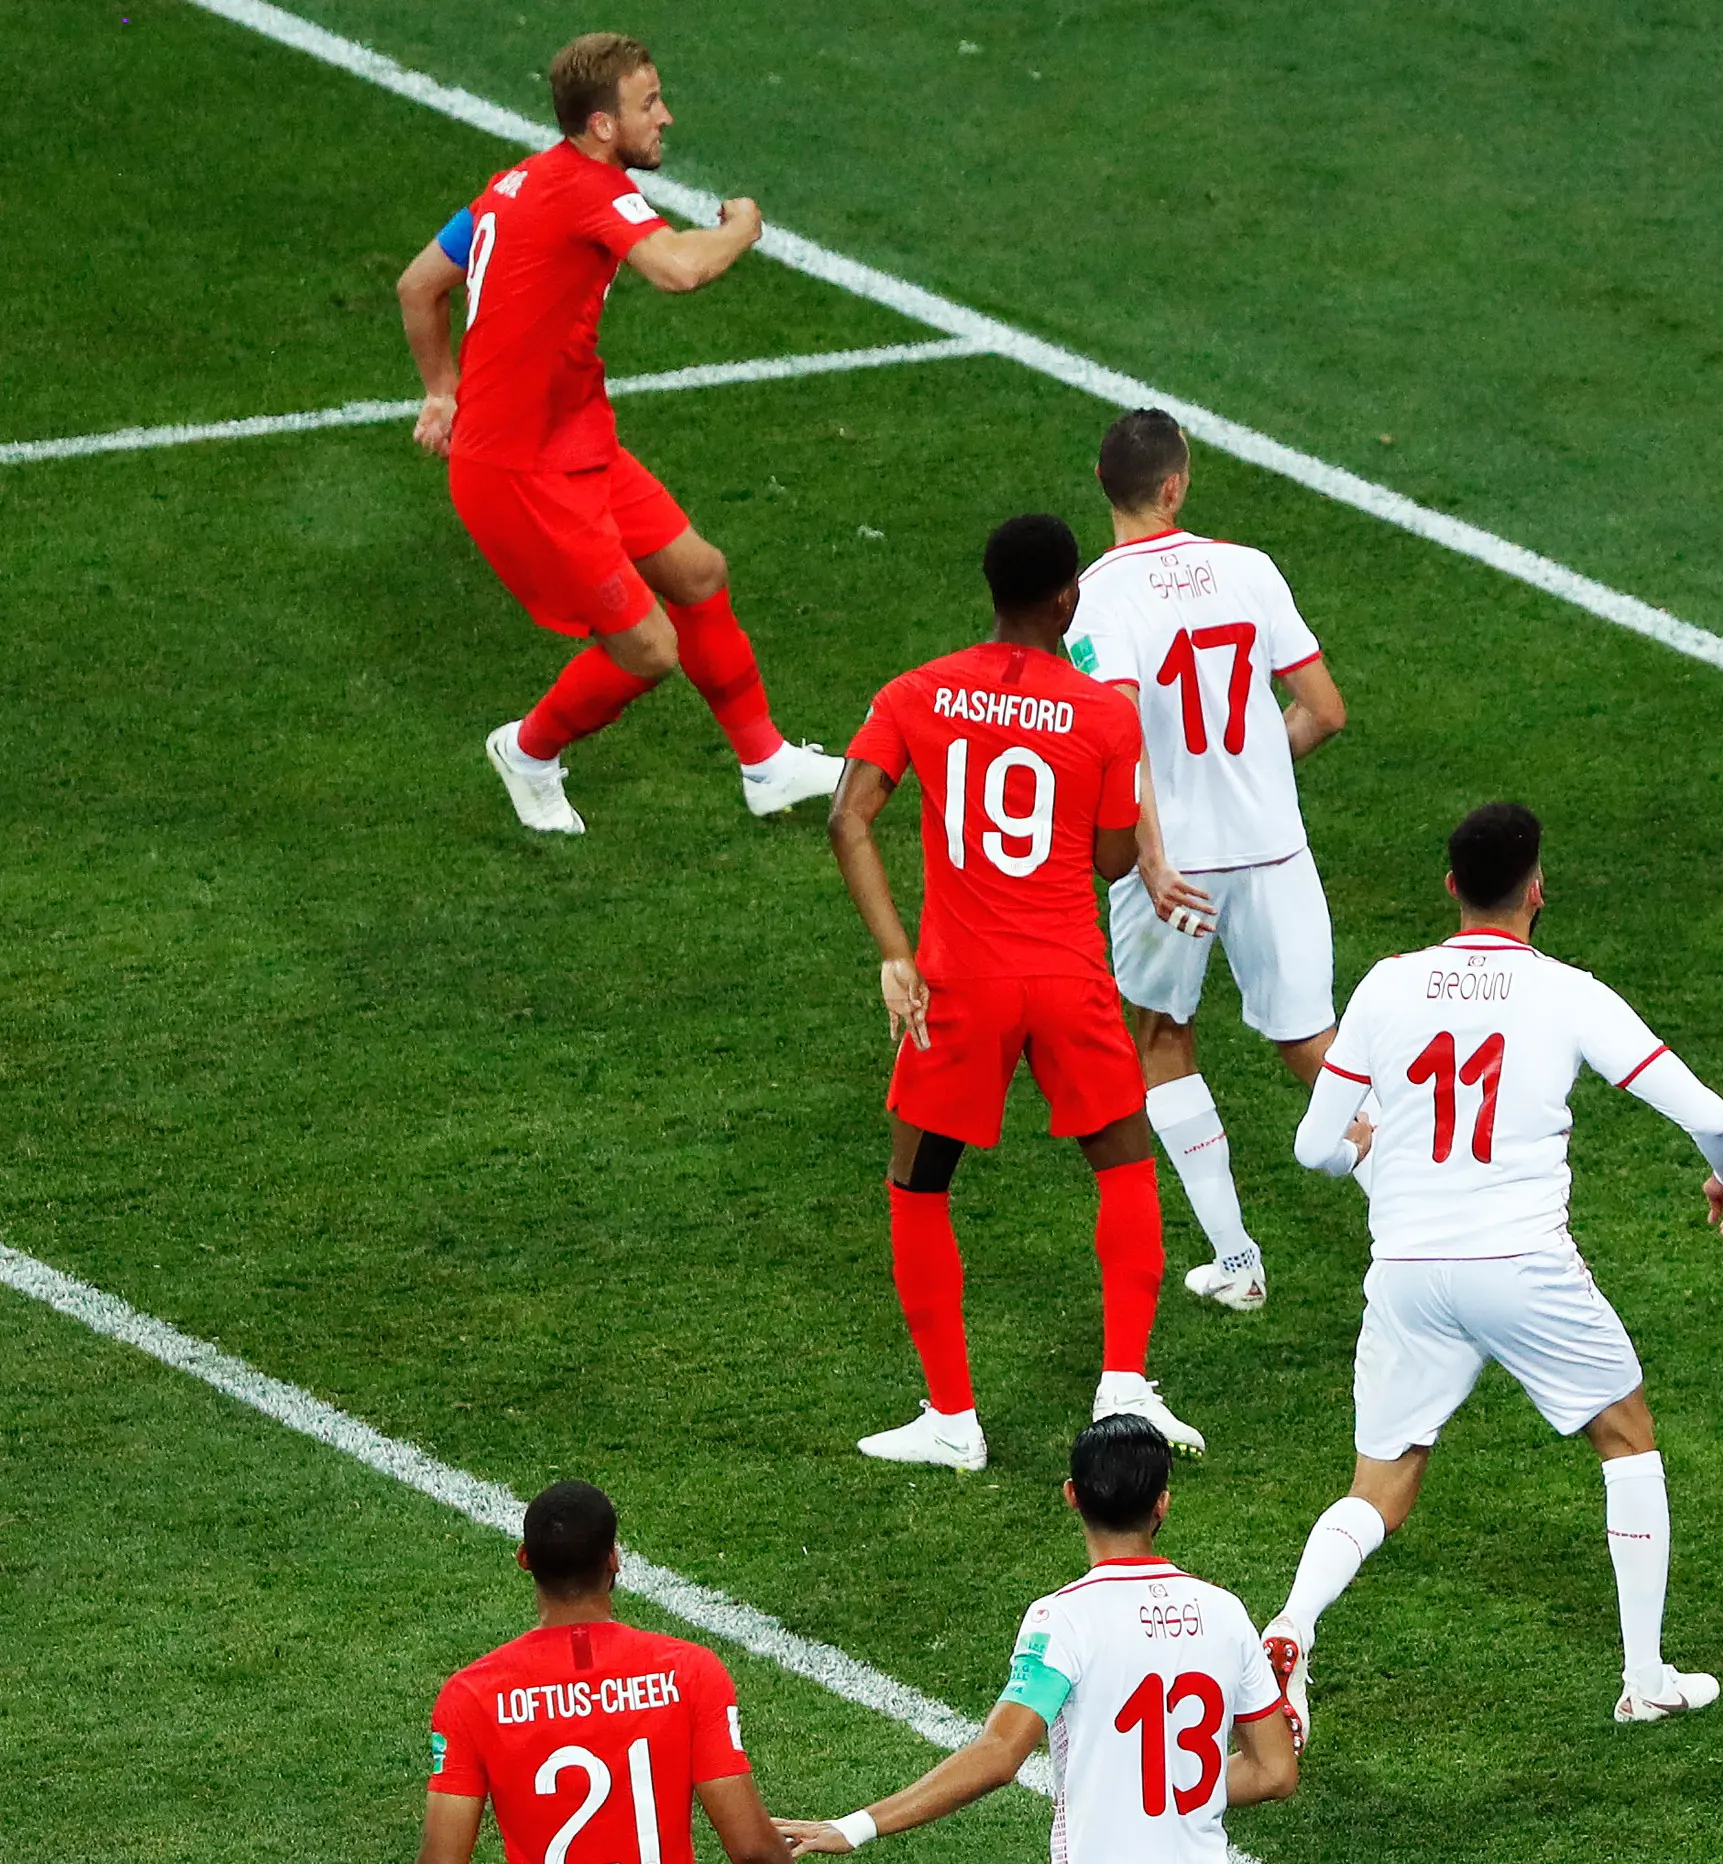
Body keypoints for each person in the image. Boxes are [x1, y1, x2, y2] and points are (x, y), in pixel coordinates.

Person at [1266, 802, 1723, 1738]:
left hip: (1406, 1269)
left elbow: (1313, 1146)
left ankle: (1292, 1626)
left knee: (1382, 1479)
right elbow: (1708, 1113)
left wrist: (1367, 1151)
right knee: (1626, 1434)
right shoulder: (1568, 993)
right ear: (1537, 887)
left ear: (1450, 886)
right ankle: (1645, 1675)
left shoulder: (1386, 984)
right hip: (1521, 1266)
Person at [827, 514, 1213, 1468]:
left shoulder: (917, 691)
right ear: (1067, 597)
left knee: (919, 1185)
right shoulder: (1105, 713)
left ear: (991, 592)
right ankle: (1123, 1389)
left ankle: (954, 1419)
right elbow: (1115, 858)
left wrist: (893, 952)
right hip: (1070, 974)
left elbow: (848, 817)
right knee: (1124, 1166)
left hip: (960, 981)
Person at [394, 31, 842, 835]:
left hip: (575, 443)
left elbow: (420, 283)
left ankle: (766, 765)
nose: (665, 117)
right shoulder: (591, 190)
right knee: (648, 649)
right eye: (648, 104)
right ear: (602, 126)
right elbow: (678, 268)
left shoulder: (516, 183)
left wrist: (440, 393)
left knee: (700, 573)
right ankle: (527, 751)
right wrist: (744, 228)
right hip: (520, 470)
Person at [1072, 411, 1351, 1315]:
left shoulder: (1097, 597)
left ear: (1107, 488)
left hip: (1177, 864)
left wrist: (1147, 857)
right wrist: (1262, 768)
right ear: (1176, 486)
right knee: (1312, 1045)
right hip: (1274, 850)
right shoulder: (1250, 568)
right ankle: (1423, 1225)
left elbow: (1117, 735)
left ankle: (1237, 1260)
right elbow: (1324, 710)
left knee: (1163, 1038)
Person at [774, 1415, 1297, 1861]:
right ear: (1162, 1503)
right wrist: (1180, 1786)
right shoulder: (1225, 1613)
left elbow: (1000, 1755)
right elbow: (1274, 1771)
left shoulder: (1063, 1619)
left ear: (1072, 1495)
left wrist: (856, 1826)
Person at [423, 1481, 795, 1864]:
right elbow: (754, 1851)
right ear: (613, 1559)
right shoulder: (688, 1672)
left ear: (524, 1559)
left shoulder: (472, 1694)